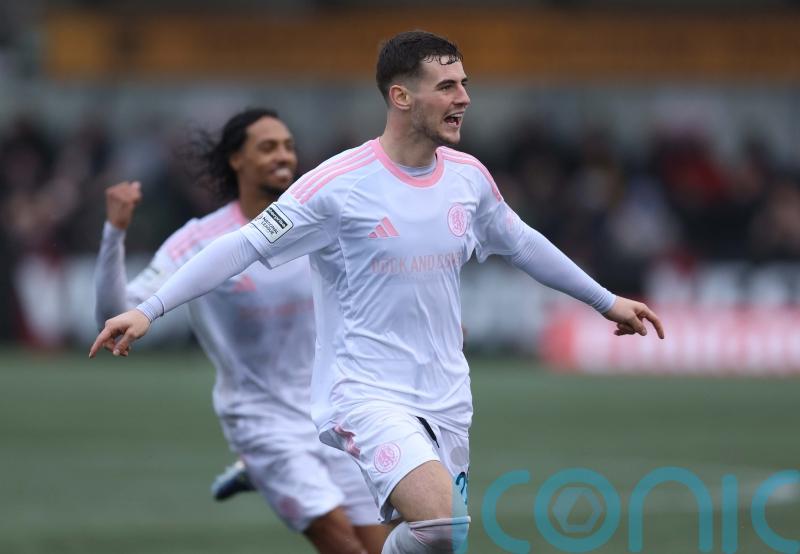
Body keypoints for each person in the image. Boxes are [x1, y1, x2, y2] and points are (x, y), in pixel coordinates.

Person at [90, 34, 665, 554]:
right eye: (447, 86)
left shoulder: (468, 177)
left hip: (446, 393)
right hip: (364, 394)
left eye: (464, 84)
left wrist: (606, 301)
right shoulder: (336, 185)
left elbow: (523, 243)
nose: (464, 98)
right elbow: (242, 246)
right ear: (401, 97)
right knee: (442, 525)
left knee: (438, 542)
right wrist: (149, 309)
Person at [93, 108, 387, 554]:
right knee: (344, 547)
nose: (283, 156)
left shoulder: (318, 223)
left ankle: (256, 473)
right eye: (268, 147)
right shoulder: (201, 239)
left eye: (288, 146)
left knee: (382, 547)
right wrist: (114, 232)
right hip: (261, 420)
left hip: (335, 411)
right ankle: (261, 464)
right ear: (236, 160)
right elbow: (115, 314)